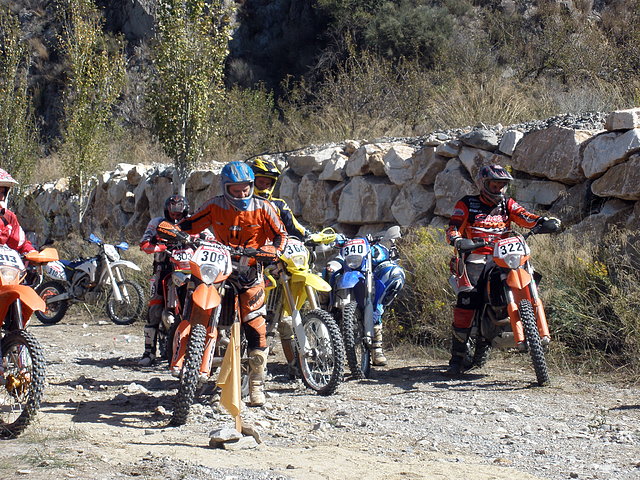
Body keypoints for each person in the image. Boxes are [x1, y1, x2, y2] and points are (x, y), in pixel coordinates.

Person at [179, 161, 287, 406]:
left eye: (245, 189)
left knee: (256, 324)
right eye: (235, 190)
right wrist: (175, 233)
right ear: (225, 188)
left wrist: (272, 251)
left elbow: (281, 235)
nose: (241, 194)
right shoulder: (214, 205)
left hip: (250, 269)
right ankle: (193, 364)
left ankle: (257, 383)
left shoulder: (264, 207)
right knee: (201, 308)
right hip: (220, 266)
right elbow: (190, 224)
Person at [444, 164, 558, 376]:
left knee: (532, 277)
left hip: (504, 255)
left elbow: (525, 216)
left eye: (502, 185)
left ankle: (534, 330)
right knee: (468, 298)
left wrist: (543, 222)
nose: (497, 189)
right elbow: (453, 226)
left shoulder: (508, 204)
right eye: (494, 185)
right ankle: (457, 358)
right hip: (477, 256)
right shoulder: (467, 203)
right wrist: (458, 240)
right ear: (484, 184)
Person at [245, 156, 308, 377]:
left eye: (268, 182)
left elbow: (296, 228)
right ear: (251, 181)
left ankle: (295, 366)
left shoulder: (279, 205)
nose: (264, 186)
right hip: (250, 265)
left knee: (285, 321)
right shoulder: (242, 205)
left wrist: (311, 237)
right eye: (260, 181)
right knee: (258, 317)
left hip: (280, 264)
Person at [138, 194, 191, 367]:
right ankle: (149, 352)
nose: (175, 216)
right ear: (167, 211)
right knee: (154, 308)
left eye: (178, 213)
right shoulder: (157, 222)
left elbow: (209, 236)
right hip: (164, 267)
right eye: (172, 213)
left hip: (187, 268)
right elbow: (144, 244)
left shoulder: (192, 222)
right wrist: (161, 246)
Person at [0, 168, 35, 255]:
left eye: (2, 192)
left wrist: (32, 252)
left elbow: (20, 243)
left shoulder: (8, 216)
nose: (1, 197)